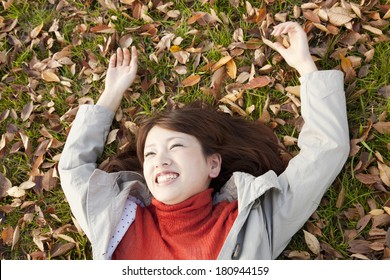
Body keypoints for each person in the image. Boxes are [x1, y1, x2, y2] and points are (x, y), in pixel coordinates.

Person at [58, 22, 350, 260]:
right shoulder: (115, 222)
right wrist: (110, 95)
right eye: (150, 154)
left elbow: (325, 153)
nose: (159, 159)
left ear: (213, 164)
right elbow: (73, 170)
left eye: (176, 146)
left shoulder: (253, 221)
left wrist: (305, 67)